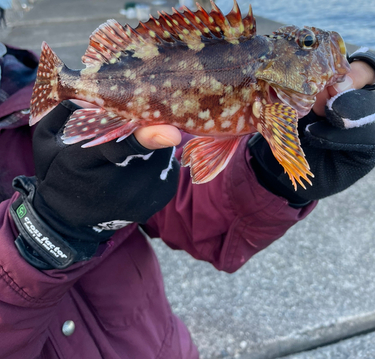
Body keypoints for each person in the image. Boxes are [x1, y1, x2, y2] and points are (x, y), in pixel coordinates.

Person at [0, 39, 375, 358]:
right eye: (306, 45)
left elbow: (185, 192)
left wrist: (270, 173)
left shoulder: (26, 82)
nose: (317, 50)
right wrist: (40, 235)